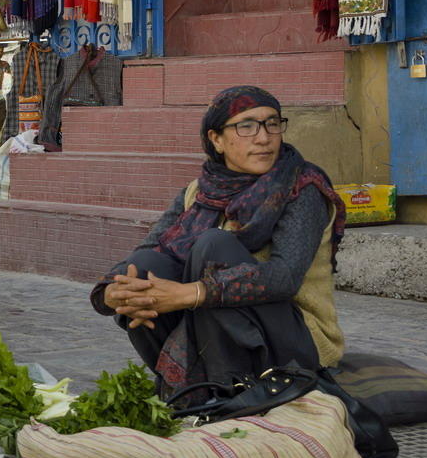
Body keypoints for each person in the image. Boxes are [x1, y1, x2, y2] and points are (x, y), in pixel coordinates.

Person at [92, 86, 347, 396]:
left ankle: (227, 392)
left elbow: (284, 277)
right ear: (216, 139)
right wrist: (112, 293)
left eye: (272, 123)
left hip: (295, 338)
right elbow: (151, 246)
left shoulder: (301, 188)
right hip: (218, 331)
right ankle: (197, 390)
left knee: (215, 246)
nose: (264, 137)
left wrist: (194, 293)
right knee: (145, 269)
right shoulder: (200, 190)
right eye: (246, 126)